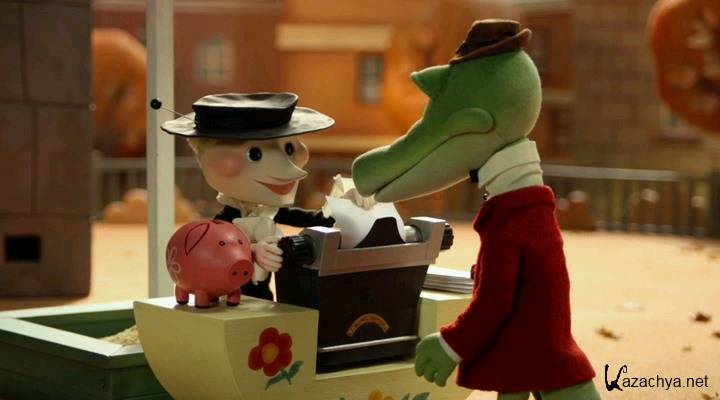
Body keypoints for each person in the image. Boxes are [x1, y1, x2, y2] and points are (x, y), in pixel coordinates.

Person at [160, 92, 369, 301]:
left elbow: (319, 220)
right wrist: (252, 252)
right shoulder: (224, 223)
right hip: (230, 301)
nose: (290, 170)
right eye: (255, 154)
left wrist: (346, 203)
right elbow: (214, 251)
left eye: (289, 148)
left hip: (264, 301)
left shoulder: (271, 212)